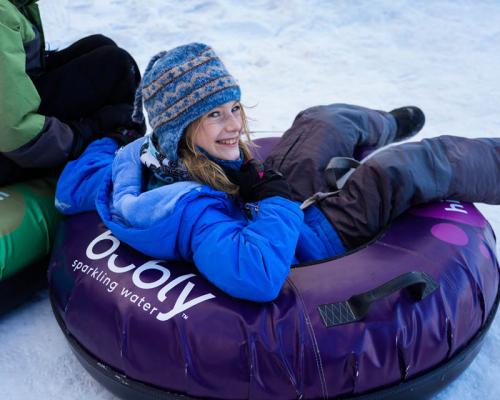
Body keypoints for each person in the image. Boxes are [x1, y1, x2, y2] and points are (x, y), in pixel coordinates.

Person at [55, 43, 500, 302]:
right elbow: (258, 274)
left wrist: (107, 141)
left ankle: (387, 125)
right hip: (312, 240)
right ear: (180, 131)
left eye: (234, 107)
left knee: (322, 121)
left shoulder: (144, 159)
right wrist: (274, 198)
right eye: (215, 115)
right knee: (407, 166)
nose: (234, 125)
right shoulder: (191, 211)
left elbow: (73, 188)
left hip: (262, 196)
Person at [0, 0, 143, 185]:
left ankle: (126, 145)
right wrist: (80, 135)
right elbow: (13, 131)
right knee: (113, 65)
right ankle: (115, 162)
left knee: (101, 49)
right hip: (11, 153)